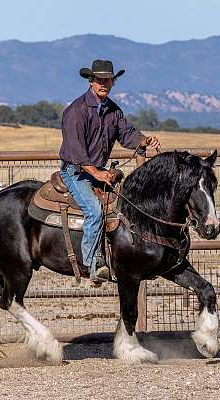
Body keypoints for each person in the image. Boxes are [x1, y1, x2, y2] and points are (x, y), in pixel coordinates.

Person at [59, 59, 160, 284]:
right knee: (94, 211)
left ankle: (126, 257)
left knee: (126, 205)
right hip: (75, 172)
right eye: (99, 80)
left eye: (108, 80)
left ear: (112, 83)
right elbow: (76, 152)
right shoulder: (76, 111)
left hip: (96, 170)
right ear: (91, 81)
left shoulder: (113, 111)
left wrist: (144, 140)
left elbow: (127, 134)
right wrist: (97, 173)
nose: (104, 83)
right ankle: (92, 264)